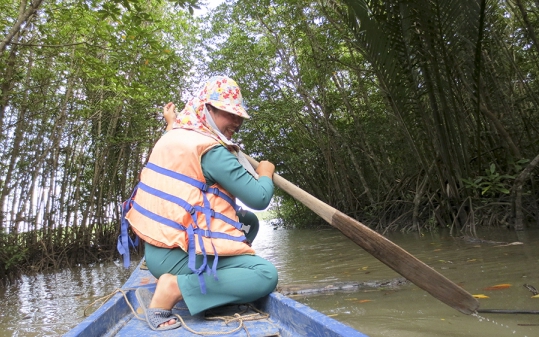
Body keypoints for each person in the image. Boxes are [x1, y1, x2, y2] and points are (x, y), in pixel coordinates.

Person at [124, 76, 278, 331]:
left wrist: (171, 122)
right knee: (265, 275)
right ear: (207, 109)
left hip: (158, 250)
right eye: (230, 114)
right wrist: (265, 172)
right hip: (177, 256)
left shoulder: (171, 137)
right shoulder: (211, 150)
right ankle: (173, 288)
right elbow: (260, 198)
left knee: (247, 222)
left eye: (239, 116)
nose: (237, 122)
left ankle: (220, 284)